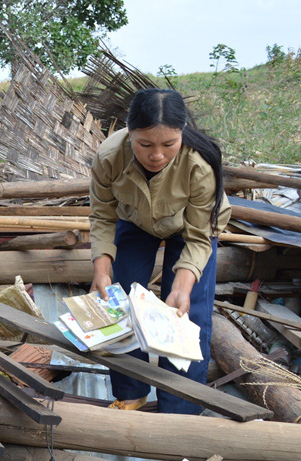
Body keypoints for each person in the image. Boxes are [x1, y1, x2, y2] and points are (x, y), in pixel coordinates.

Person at [89, 88, 231, 415]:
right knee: (119, 300)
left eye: (169, 144)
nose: (156, 155)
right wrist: (101, 268)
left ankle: (180, 408)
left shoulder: (199, 164)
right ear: (129, 133)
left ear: (182, 133)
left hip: (191, 227)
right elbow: (102, 216)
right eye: (145, 144)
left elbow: (198, 237)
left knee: (187, 311)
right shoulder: (109, 156)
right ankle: (131, 392)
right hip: (135, 220)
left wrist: (181, 288)